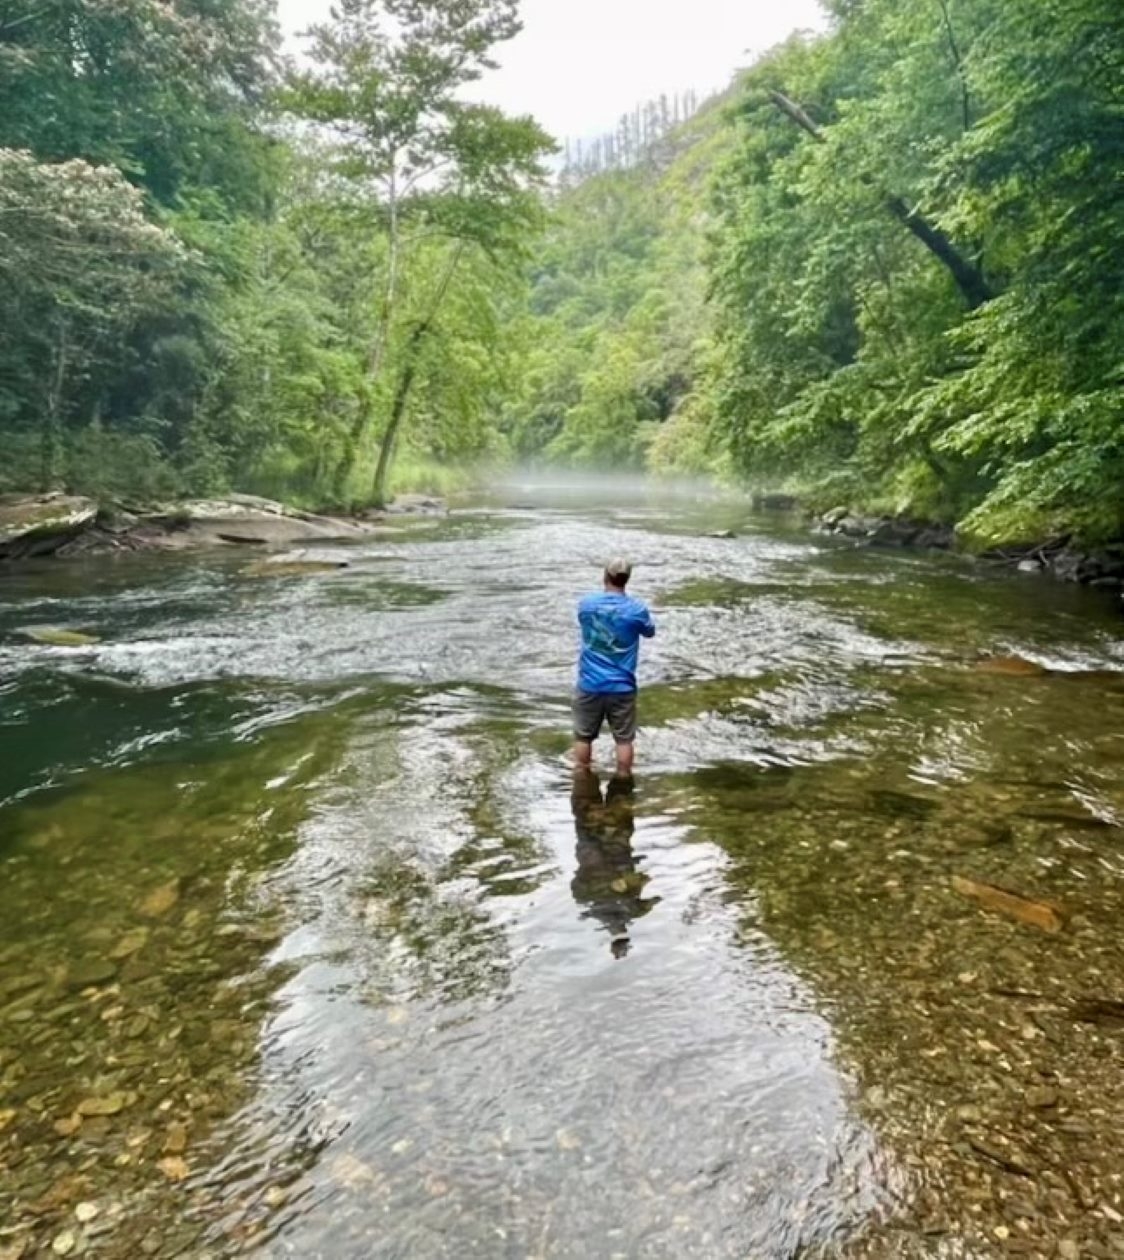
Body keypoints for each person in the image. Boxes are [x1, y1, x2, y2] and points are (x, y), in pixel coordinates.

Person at [572, 557, 656, 776]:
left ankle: (582, 777)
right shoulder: (637, 609)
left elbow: (583, 622)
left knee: (583, 736)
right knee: (624, 740)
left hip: (589, 683)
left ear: (605, 575)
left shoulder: (587, 605)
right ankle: (623, 782)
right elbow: (649, 632)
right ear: (627, 579)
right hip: (622, 686)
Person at [569, 768, 657, 958]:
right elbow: (576, 888)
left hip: (615, 835)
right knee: (584, 770)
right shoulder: (590, 905)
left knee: (622, 773)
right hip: (591, 837)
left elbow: (653, 892)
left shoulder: (633, 909)